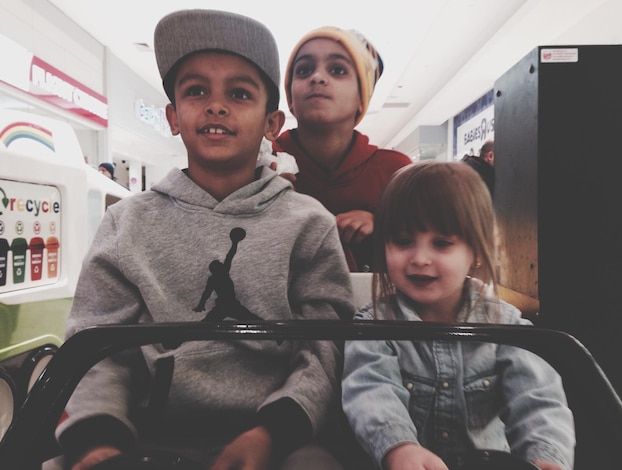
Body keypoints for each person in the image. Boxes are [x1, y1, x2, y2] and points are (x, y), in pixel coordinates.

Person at [52, 9, 354, 470]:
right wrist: (99, 440)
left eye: (239, 93)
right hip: (147, 437)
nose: (216, 106)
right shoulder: (126, 223)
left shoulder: (309, 224)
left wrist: (272, 434)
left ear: (272, 124)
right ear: (173, 116)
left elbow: (325, 348)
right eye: (197, 91)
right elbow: (96, 350)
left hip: (283, 440)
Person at [341, 161, 575, 470]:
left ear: (477, 251)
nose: (420, 259)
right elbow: (371, 391)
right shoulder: (373, 325)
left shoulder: (505, 325)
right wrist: (399, 447)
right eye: (402, 241)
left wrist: (545, 456)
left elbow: (538, 399)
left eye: (442, 244)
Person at [272, 26, 412, 273]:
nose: (317, 77)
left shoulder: (396, 173)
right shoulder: (262, 163)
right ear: (290, 97)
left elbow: (429, 243)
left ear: (362, 97)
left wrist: (382, 224)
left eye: (337, 70)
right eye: (304, 70)